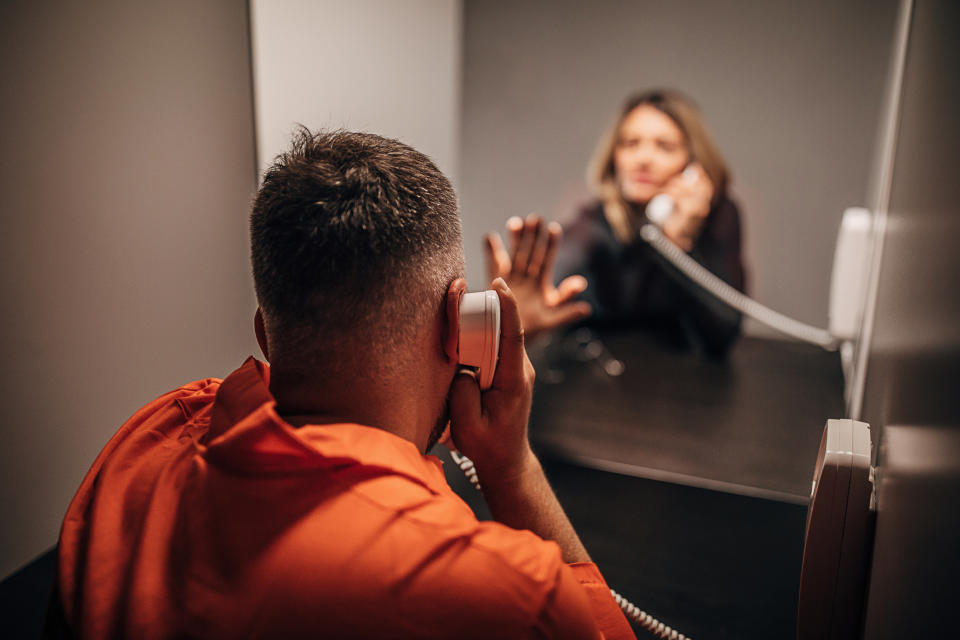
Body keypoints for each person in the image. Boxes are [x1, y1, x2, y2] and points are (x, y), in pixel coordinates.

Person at [52, 130, 635, 639]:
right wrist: (511, 468)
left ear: (263, 329)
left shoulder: (148, 435)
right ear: (462, 324)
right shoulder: (499, 589)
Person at [486, 89, 746, 359]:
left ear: (693, 163)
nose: (643, 159)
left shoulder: (719, 216)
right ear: (614, 156)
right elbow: (568, 258)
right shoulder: (595, 221)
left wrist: (678, 243)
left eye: (665, 147)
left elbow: (722, 335)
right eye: (630, 143)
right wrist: (520, 315)